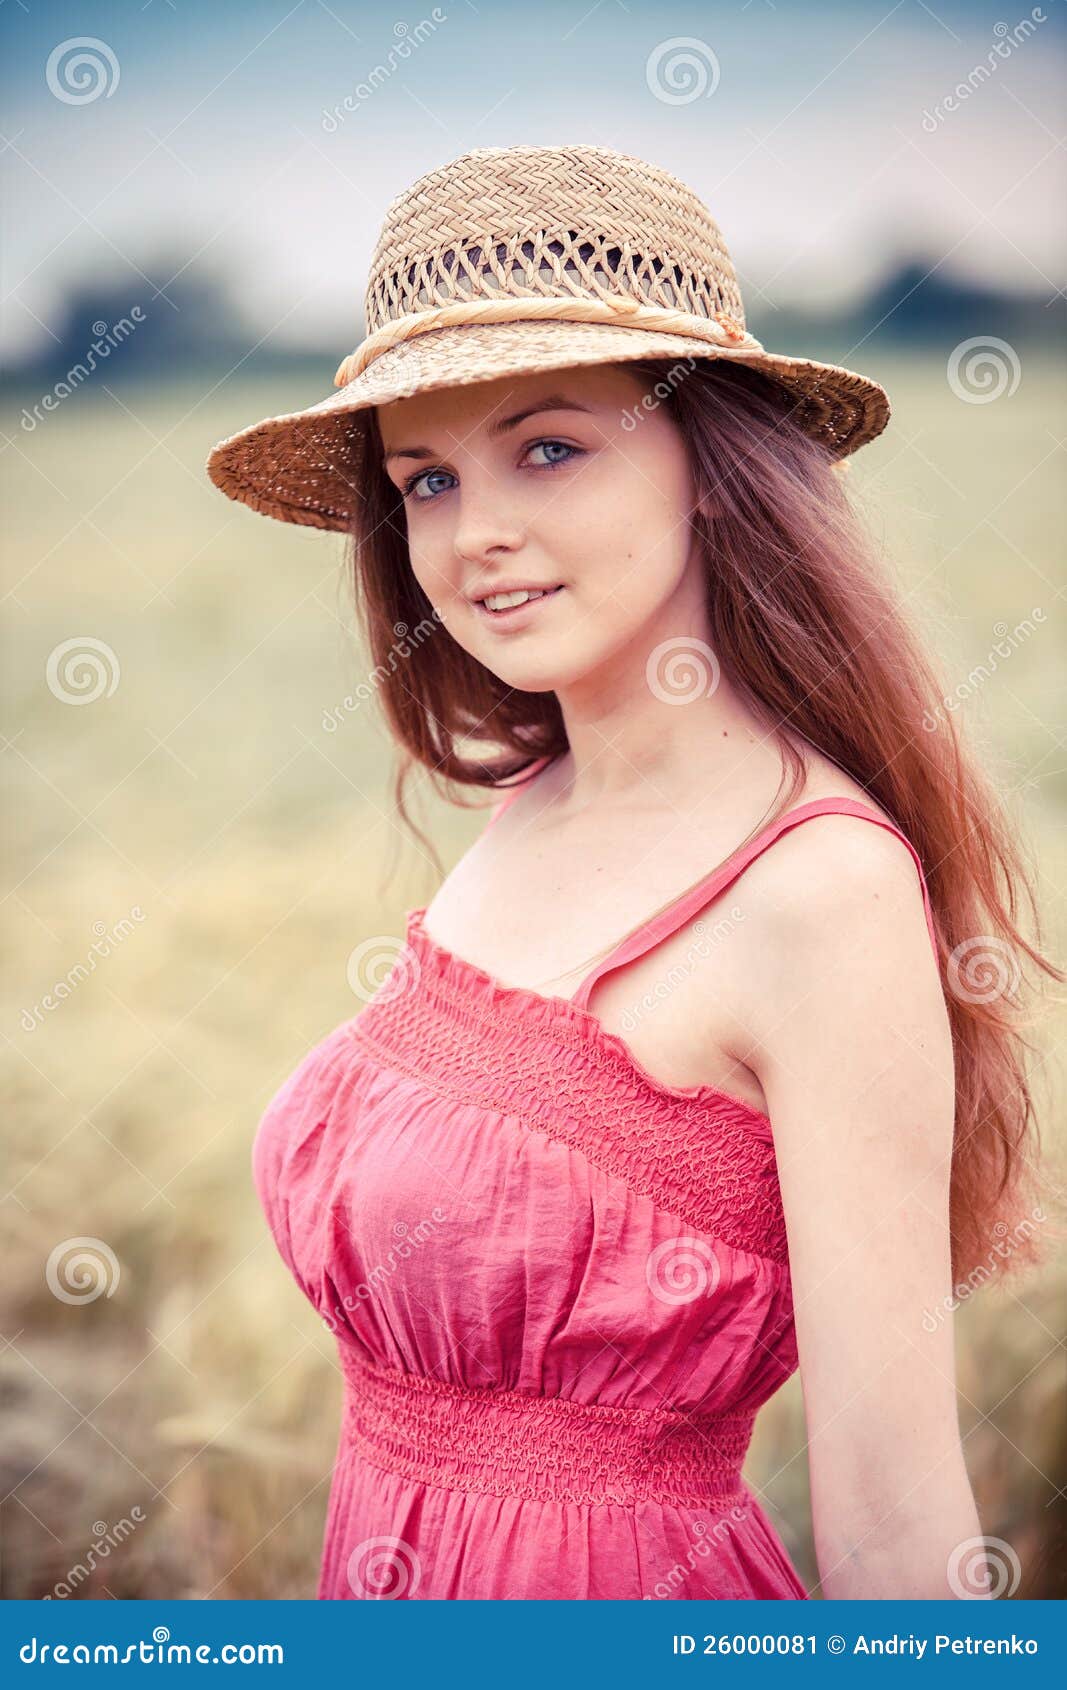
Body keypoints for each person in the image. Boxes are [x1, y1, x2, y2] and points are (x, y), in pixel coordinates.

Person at [206, 144, 1060, 1601]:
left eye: (550, 447)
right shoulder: (529, 805)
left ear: (713, 468)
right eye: (425, 477)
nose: (477, 537)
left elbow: (902, 1528)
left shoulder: (817, 893)